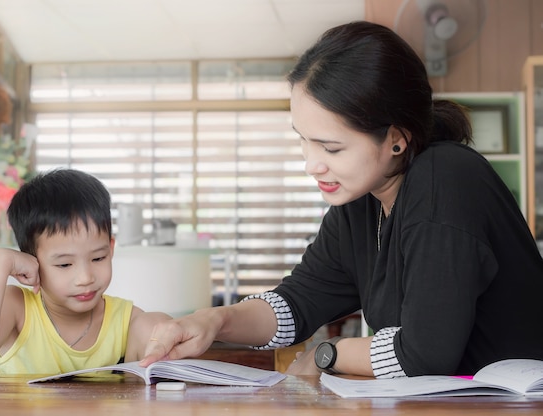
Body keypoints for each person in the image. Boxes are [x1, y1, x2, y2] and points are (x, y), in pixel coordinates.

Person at [141, 21, 543, 378]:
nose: (312, 165)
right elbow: (297, 304)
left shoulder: (445, 178)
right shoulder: (359, 200)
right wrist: (215, 320)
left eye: (331, 148)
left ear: (396, 140)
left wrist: (327, 354)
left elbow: (424, 355)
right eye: (303, 139)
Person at [0, 169, 171, 375]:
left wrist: (158, 329)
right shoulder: (17, 309)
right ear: (31, 261)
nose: (86, 278)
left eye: (98, 258)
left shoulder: (127, 320)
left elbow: (157, 335)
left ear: (111, 248)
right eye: (65, 265)